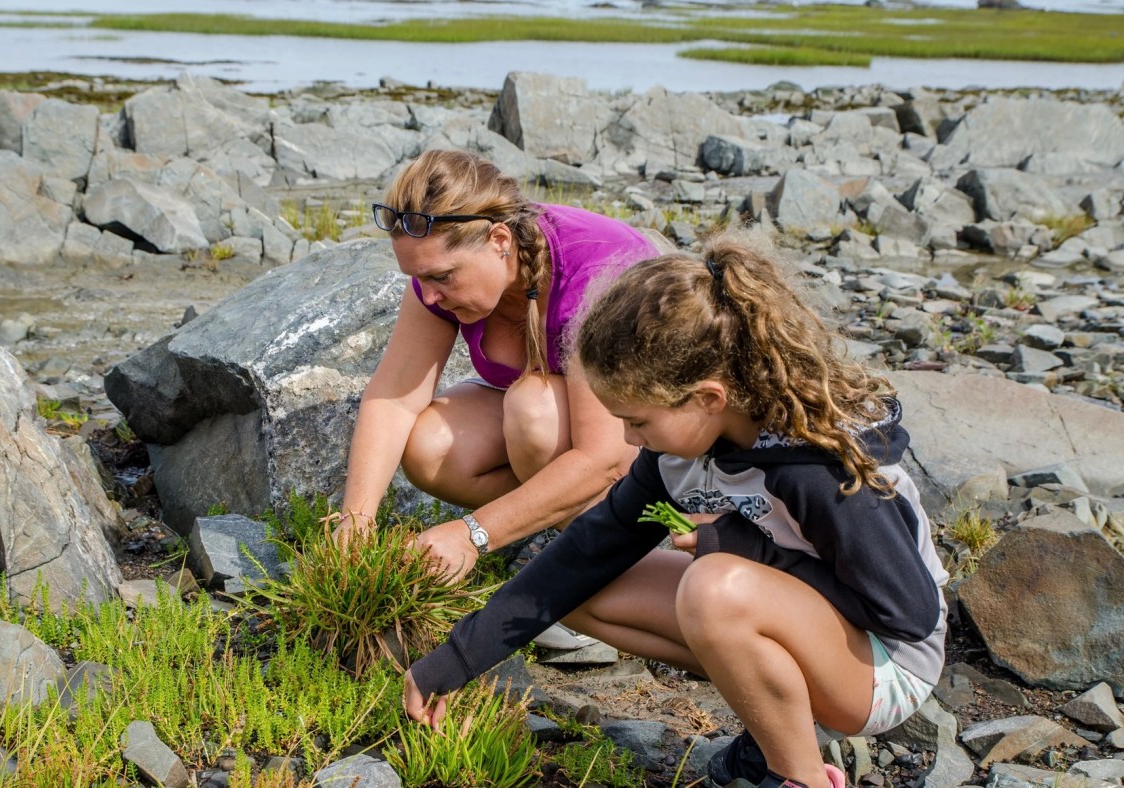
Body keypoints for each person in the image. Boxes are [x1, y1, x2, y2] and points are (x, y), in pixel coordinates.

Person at [402, 235, 949, 788]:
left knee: (715, 588)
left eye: (637, 421)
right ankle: (780, 725)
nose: (626, 437)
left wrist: (749, 550)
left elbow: (909, 614)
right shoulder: (674, 455)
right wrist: (455, 661)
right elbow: (588, 550)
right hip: (800, 622)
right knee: (587, 589)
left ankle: (800, 776)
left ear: (709, 398)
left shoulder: (816, 469)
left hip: (886, 663)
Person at [335, 149, 658, 583]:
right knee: (430, 448)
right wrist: (356, 522)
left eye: (442, 277)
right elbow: (394, 398)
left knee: (533, 409)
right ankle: (544, 524)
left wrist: (472, 534)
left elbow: (604, 459)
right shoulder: (441, 276)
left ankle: (593, 568)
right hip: (562, 418)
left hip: (649, 439)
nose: (428, 296)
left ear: (500, 241)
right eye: (419, 278)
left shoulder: (595, 277)